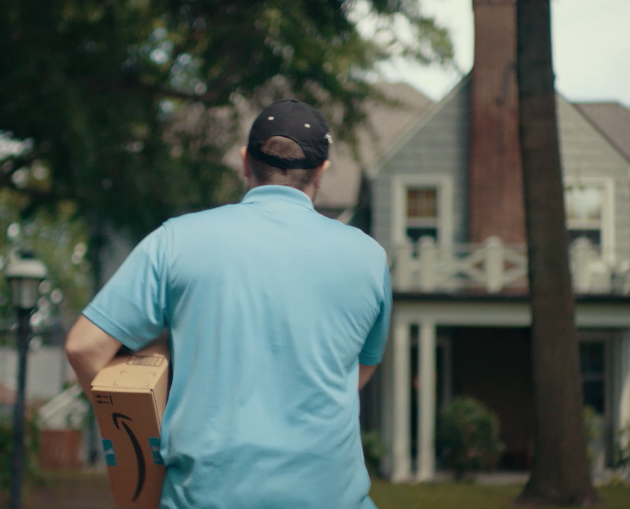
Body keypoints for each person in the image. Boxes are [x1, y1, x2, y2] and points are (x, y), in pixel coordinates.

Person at [65, 99, 392, 509]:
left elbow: (84, 347)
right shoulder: (369, 257)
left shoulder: (176, 241)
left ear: (244, 162)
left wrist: (141, 429)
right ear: (321, 172)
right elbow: (360, 366)